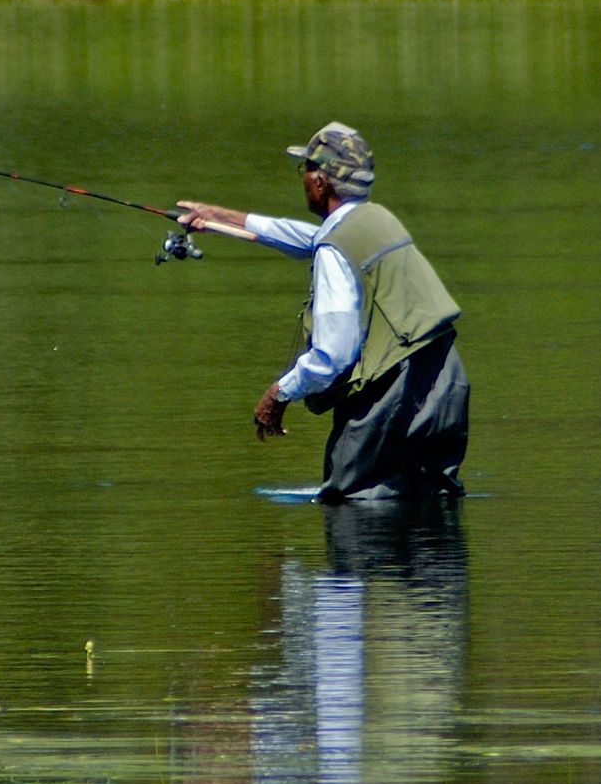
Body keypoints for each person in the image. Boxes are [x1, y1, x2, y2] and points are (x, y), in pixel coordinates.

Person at [178, 122, 469, 502]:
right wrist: (220, 217)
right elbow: (312, 239)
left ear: (321, 182)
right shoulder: (379, 220)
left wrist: (279, 394)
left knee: (354, 507)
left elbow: (333, 356)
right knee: (431, 508)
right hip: (445, 382)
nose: (303, 179)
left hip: (392, 397)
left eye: (306, 170)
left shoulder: (335, 249)